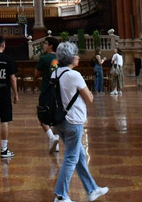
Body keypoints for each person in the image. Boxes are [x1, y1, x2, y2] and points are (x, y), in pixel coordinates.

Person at [50, 41, 108, 202]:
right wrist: (87, 92)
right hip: (73, 122)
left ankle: (92, 190)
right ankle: (61, 196)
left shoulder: (54, 74)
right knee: (70, 158)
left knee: (80, 156)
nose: (78, 57)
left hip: (59, 121)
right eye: (76, 54)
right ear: (70, 57)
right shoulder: (74, 75)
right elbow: (89, 98)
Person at [35, 37, 61, 152]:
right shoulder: (61, 58)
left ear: (50, 46)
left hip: (47, 90)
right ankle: (57, 143)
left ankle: (51, 137)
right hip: (59, 90)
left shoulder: (44, 58)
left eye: (45, 43)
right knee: (56, 115)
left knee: (42, 114)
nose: (44, 45)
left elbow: (36, 74)